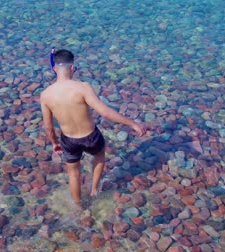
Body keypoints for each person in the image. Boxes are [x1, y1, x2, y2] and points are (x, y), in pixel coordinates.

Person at [40, 49, 146, 208]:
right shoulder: (83, 87)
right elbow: (104, 111)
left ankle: (78, 206)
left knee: (73, 174)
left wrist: (54, 143)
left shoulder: (46, 94)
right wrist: (132, 123)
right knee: (99, 157)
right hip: (91, 136)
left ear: (54, 69)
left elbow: (48, 126)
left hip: (68, 139)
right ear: (72, 68)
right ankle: (94, 189)